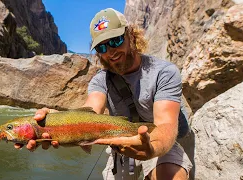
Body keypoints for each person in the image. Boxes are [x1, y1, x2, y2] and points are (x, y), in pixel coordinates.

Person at [14, 8, 192, 180]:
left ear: (131, 35)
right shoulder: (100, 80)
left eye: (115, 41)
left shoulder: (164, 72)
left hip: (158, 142)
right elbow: (91, 110)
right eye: (101, 47)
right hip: (121, 144)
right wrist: (56, 120)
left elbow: (165, 125)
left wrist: (151, 149)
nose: (110, 51)